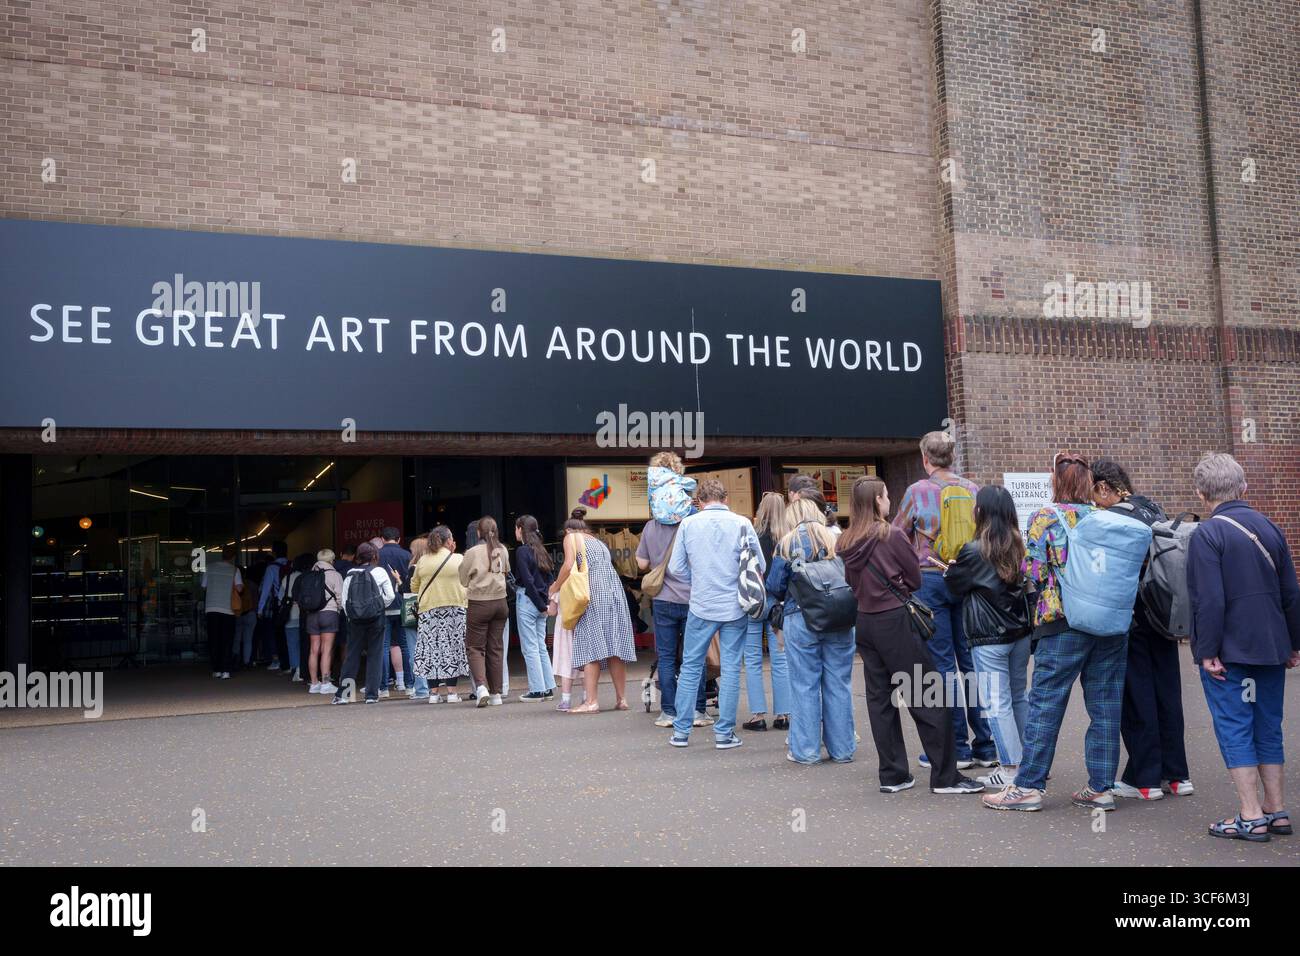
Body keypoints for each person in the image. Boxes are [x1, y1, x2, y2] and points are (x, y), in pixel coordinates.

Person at [984, 452, 1128, 812]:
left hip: (1062, 624)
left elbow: (1031, 571)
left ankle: (1028, 787)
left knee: (1046, 705)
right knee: (1105, 706)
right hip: (1109, 625)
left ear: (1058, 483)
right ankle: (1101, 787)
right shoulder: (1105, 517)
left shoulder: (1046, 517)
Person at [840, 477, 983, 795]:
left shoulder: (847, 540)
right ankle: (946, 777)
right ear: (878, 500)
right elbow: (916, 578)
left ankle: (892, 774)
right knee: (928, 695)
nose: (889, 500)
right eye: (887, 495)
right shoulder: (890, 535)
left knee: (880, 699)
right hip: (896, 620)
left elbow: (852, 581)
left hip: (865, 620)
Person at [1186, 453, 1300, 842]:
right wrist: (1293, 642)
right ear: (1244, 487)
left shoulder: (1208, 534)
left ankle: (1250, 816)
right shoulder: (1271, 528)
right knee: (1268, 724)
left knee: (1235, 725)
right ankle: (1276, 809)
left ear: (1202, 494)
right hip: (1271, 646)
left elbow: (1209, 601)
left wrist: (1206, 650)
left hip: (1230, 651)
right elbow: (1290, 594)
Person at [1091, 457, 1193, 801]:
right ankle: (1177, 775)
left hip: (1132, 613)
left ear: (1104, 487)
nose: (1093, 500)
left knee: (1137, 695)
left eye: (1094, 492)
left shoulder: (1110, 517)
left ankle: (1145, 779)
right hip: (1164, 611)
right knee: (1168, 690)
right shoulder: (1153, 507)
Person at [893, 432, 996, 771]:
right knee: (972, 661)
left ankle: (958, 750)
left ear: (925, 458)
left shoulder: (916, 492)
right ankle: (986, 743)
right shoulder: (973, 490)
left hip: (931, 580)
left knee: (942, 665)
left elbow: (897, 536)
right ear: (953, 457)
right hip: (967, 581)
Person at [664, 479, 763, 748]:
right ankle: (724, 733)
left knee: (691, 666)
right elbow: (759, 564)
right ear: (726, 497)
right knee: (730, 668)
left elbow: (676, 568)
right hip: (734, 606)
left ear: (699, 500)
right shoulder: (742, 523)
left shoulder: (688, 524)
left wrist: (698, 580)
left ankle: (681, 732)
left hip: (701, 604)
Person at [944, 485, 1032, 788]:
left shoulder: (973, 550)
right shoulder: (1021, 544)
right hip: (1020, 632)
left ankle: (1010, 768)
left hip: (988, 636)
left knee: (997, 703)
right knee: (1019, 697)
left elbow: (954, 587)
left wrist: (952, 570)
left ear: (980, 512)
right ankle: (1030, 764)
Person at [765, 496, 856, 765]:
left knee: (804, 685)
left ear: (791, 518)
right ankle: (842, 750)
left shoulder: (787, 543)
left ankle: (806, 751)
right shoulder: (837, 540)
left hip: (801, 617)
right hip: (840, 618)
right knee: (839, 683)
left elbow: (775, 586)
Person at [636, 455, 711, 729]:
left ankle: (668, 712)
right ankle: (698, 711)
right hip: (694, 598)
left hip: (663, 599)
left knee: (666, 656)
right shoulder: (694, 522)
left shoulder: (650, 526)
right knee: (695, 655)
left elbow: (641, 563)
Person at [548, 508, 637, 713]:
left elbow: (569, 564)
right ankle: (621, 699)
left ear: (569, 530)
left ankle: (591, 702)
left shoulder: (571, 538)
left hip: (594, 591)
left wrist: (555, 586)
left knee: (590, 645)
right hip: (614, 591)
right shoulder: (598, 542)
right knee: (614, 647)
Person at [744, 491, 791, 732]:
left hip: (754, 601)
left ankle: (758, 716)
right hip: (778, 604)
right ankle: (783, 714)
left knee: (752, 659)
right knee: (779, 658)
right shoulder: (787, 538)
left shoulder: (752, 536)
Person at [411, 526, 471, 704]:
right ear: (448, 541)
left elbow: (414, 586)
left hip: (428, 610)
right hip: (456, 608)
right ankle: (452, 693)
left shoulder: (423, 561)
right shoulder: (458, 558)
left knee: (431, 651)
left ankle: (433, 694)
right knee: (452, 649)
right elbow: (468, 580)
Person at [333, 541, 394, 704]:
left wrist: (353, 614)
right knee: (375, 655)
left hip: (355, 621)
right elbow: (390, 596)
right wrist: (377, 607)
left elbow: (345, 600)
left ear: (358, 556)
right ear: (375, 555)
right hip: (376, 618)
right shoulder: (380, 571)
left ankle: (344, 695)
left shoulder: (351, 573)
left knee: (352, 655)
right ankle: (372, 695)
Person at [459, 516, 510, 707]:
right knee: (496, 648)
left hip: (479, 603)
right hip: (500, 602)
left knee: (475, 647)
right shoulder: (503, 550)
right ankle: (496, 693)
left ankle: (481, 687)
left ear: (478, 532)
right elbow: (506, 572)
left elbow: (463, 580)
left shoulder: (472, 552)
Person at [513, 515, 556, 702]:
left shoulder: (522, 551)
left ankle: (537, 689)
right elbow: (549, 579)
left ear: (521, 529)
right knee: (541, 646)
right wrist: (545, 603)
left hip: (528, 601)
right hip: (542, 603)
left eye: (516, 528)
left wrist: (539, 603)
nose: (515, 531)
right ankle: (548, 687)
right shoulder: (541, 550)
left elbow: (527, 580)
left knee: (529, 647)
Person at [377, 527, 413, 696]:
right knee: (406, 646)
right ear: (399, 539)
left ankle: (383, 688)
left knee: (383, 647)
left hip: (382, 606)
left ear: (382, 539)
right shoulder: (407, 555)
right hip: (405, 603)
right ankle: (410, 685)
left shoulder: (376, 555)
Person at [201, 545, 242, 679]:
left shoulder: (210, 567)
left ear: (222, 554)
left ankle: (217, 669)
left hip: (211, 608)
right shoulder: (234, 570)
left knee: (214, 640)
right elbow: (240, 589)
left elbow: (203, 586)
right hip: (228, 610)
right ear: (233, 557)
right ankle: (226, 670)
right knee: (227, 640)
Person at [306, 549, 343, 695]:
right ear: (331, 560)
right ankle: (326, 683)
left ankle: (314, 683)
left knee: (314, 649)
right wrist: (339, 610)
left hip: (312, 615)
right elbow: (340, 597)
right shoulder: (335, 575)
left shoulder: (309, 575)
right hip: (329, 613)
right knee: (327, 649)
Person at [259, 541, 291, 672]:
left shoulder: (271, 567)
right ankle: (291, 661)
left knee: (276, 634)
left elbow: (266, 590)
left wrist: (260, 609)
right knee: (289, 633)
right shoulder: (291, 564)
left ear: (274, 552)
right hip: (292, 604)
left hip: (279, 605)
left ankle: (278, 660)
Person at [404, 535, 430, 699]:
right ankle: (432, 686)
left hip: (414, 612)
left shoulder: (414, 568)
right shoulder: (431, 565)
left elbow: (409, 590)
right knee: (430, 648)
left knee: (415, 650)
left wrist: (400, 583)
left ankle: (421, 688)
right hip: (430, 610)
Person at [282, 554, 314, 684]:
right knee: (307, 644)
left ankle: (296, 670)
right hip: (306, 615)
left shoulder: (287, 578)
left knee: (292, 644)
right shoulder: (311, 577)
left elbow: (281, 597)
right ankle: (306, 669)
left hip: (290, 615)